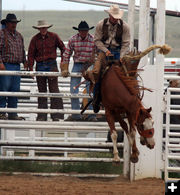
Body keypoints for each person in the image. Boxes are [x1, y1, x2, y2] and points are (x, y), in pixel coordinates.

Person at [86, 4, 130, 113]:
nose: (115, 19)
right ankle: (96, 98)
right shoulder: (101, 24)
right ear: (110, 15)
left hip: (119, 51)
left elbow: (126, 44)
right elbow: (97, 40)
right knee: (96, 72)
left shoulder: (125, 26)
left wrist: (122, 56)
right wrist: (106, 50)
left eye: (116, 17)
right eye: (113, 17)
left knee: (129, 73)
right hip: (104, 51)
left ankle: (130, 99)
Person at [28, 20, 65, 121]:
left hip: (51, 64)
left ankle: (56, 115)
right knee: (42, 91)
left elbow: (63, 48)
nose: (43, 29)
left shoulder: (54, 36)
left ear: (47, 28)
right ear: (39, 29)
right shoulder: (34, 39)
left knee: (54, 90)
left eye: (44, 28)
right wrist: (31, 69)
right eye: (41, 28)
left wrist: (63, 61)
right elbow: (30, 55)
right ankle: (42, 116)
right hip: (40, 65)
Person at [61, 21, 97, 121]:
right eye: (82, 31)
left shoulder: (93, 39)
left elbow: (98, 53)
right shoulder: (73, 39)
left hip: (89, 65)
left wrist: (95, 66)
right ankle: (76, 115)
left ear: (88, 31)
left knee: (91, 90)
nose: (83, 33)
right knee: (73, 90)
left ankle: (91, 115)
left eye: (85, 31)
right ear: (79, 31)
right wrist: (65, 68)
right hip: (77, 64)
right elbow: (67, 54)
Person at [0, 13, 27, 120]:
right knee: (3, 89)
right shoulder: (2, 34)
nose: (14, 24)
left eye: (15, 23)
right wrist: (0, 63)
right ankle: (2, 111)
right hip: (6, 65)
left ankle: (12, 112)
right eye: (12, 22)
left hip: (16, 66)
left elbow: (22, 50)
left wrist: (25, 62)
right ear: (7, 23)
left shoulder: (19, 35)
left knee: (15, 90)